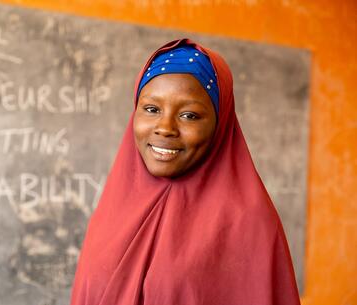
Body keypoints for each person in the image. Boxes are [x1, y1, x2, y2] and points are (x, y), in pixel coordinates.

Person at [69, 38, 301, 305]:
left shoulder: (248, 223)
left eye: (189, 115)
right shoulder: (113, 210)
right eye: (152, 109)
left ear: (220, 123)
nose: (165, 127)